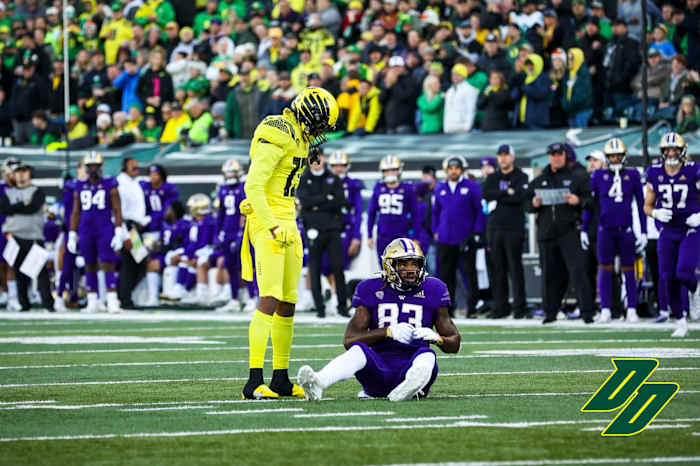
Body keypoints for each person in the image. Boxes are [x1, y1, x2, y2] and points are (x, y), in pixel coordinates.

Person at [239, 87, 338, 400]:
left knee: (288, 302)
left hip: (288, 217)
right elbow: (253, 185)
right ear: (309, 116)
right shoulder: (277, 128)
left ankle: (280, 378)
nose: (321, 132)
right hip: (267, 215)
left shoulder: (299, 135)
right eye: (320, 124)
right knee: (268, 298)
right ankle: (254, 381)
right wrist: (268, 225)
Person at [296, 238, 461, 401]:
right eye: (403, 264)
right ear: (388, 265)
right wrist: (387, 332)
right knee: (358, 349)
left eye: (415, 264)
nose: (411, 269)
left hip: (414, 365)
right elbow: (349, 340)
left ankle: (410, 386)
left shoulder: (434, 288)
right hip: (379, 370)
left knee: (427, 355)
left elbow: (454, 344)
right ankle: (318, 382)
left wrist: (438, 339)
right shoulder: (371, 288)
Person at [528, 143, 594, 323]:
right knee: (549, 275)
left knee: (578, 271)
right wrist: (533, 204)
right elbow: (526, 204)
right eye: (553, 154)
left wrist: (578, 200)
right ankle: (550, 313)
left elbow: (590, 200)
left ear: (565, 156)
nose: (556, 157)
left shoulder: (576, 177)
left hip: (569, 231)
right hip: (546, 233)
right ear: (548, 157)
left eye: (560, 154)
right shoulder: (540, 179)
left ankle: (587, 312)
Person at [583, 138, 647, 324]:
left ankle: (632, 308)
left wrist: (643, 231)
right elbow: (589, 205)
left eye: (618, 155)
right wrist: (585, 229)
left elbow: (641, 204)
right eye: (612, 156)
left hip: (625, 229)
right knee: (604, 270)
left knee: (629, 270)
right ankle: (605, 309)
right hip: (605, 230)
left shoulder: (633, 174)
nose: (616, 159)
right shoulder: (597, 176)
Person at [644, 132, 699, 338]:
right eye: (667, 150)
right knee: (668, 278)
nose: (671, 153)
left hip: (690, 228)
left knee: (684, 271)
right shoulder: (654, 172)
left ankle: (695, 289)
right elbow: (647, 206)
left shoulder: (694, 171)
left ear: (683, 151)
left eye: (675, 149)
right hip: (667, 230)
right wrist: (656, 212)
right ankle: (681, 320)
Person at [66, 152, 127, 314]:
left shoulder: (109, 183)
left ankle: (112, 299)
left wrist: (118, 230)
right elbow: (75, 212)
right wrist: (72, 234)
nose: (93, 169)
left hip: (104, 227)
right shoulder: (79, 185)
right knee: (89, 263)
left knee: (108, 262)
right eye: (90, 166)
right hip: (86, 229)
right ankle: (93, 299)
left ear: (100, 167)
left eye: (96, 166)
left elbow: (117, 208)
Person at [297, 150, 348, 318]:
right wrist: (327, 198)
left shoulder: (333, 178)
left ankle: (342, 306)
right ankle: (320, 308)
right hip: (313, 230)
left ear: (324, 158)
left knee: (337, 267)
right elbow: (305, 202)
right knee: (314, 269)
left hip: (332, 229)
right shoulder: (304, 179)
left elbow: (340, 201)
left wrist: (316, 204)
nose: (316, 161)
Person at [432, 155, 485, 318]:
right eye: (451, 168)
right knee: (446, 276)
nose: (453, 171)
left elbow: (479, 212)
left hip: (465, 238)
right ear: (446, 170)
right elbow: (435, 212)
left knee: (469, 274)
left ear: (462, 170)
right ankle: (448, 309)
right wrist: (436, 230)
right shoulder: (439, 187)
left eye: (456, 168)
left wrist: (476, 232)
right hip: (445, 239)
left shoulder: (472, 186)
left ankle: (472, 308)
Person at [482, 145, 529, 319]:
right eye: (500, 155)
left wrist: (500, 195)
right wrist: (506, 192)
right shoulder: (493, 177)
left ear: (513, 157)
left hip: (514, 228)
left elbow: (519, 197)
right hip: (495, 228)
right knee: (497, 270)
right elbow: (486, 194)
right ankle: (501, 307)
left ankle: (519, 307)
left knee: (515, 269)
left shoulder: (521, 176)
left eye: (506, 155)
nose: (503, 158)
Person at [0, 162, 54, 311]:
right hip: (15, 236)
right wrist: (22, 205)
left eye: (24, 171)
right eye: (18, 171)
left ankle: (48, 304)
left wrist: (16, 207)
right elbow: (4, 208)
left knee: (40, 271)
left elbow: (32, 207)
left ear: (29, 173)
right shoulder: (8, 193)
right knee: (18, 272)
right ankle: (24, 304)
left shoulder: (37, 191)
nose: (21, 174)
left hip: (34, 235)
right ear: (14, 174)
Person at [366, 155, 419, 264]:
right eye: (387, 170)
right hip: (383, 236)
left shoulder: (407, 188)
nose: (390, 173)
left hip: (402, 236)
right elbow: (371, 212)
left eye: (393, 170)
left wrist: (416, 236)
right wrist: (369, 235)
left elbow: (416, 215)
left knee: (402, 269)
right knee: (385, 270)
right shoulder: (378, 187)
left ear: (399, 171)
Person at [140, 163, 179, 307]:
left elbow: (168, 211)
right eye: (150, 174)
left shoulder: (169, 189)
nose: (152, 177)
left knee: (152, 259)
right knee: (140, 257)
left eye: (155, 174)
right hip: (145, 231)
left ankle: (154, 295)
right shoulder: (144, 187)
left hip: (160, 231)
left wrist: (152, 218)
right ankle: (147, 294)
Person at [213, 159, 247, 313]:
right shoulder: (223, 190)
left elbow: (244, 213)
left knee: (245, 266)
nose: (230, 175)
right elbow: (220, 213)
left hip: (239, 231)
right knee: (230, 267)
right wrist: (218, 232)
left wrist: (241, 232)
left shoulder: (243, 188)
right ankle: (234, 299)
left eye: (232, 171)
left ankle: (250, 297)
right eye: (227, 172)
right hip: (226, 231)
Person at [117, 158, 150, 309]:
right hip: (128, 227)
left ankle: (124, 296)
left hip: (135, 227)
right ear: (125, 169)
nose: (137, 170)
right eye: (133, 167)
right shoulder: (121, 185)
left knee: (138, 262)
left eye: (137, 167)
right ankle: (124, 298)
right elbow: (118, 212)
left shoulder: (133, 182)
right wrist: (124, 234)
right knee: (132, 263)